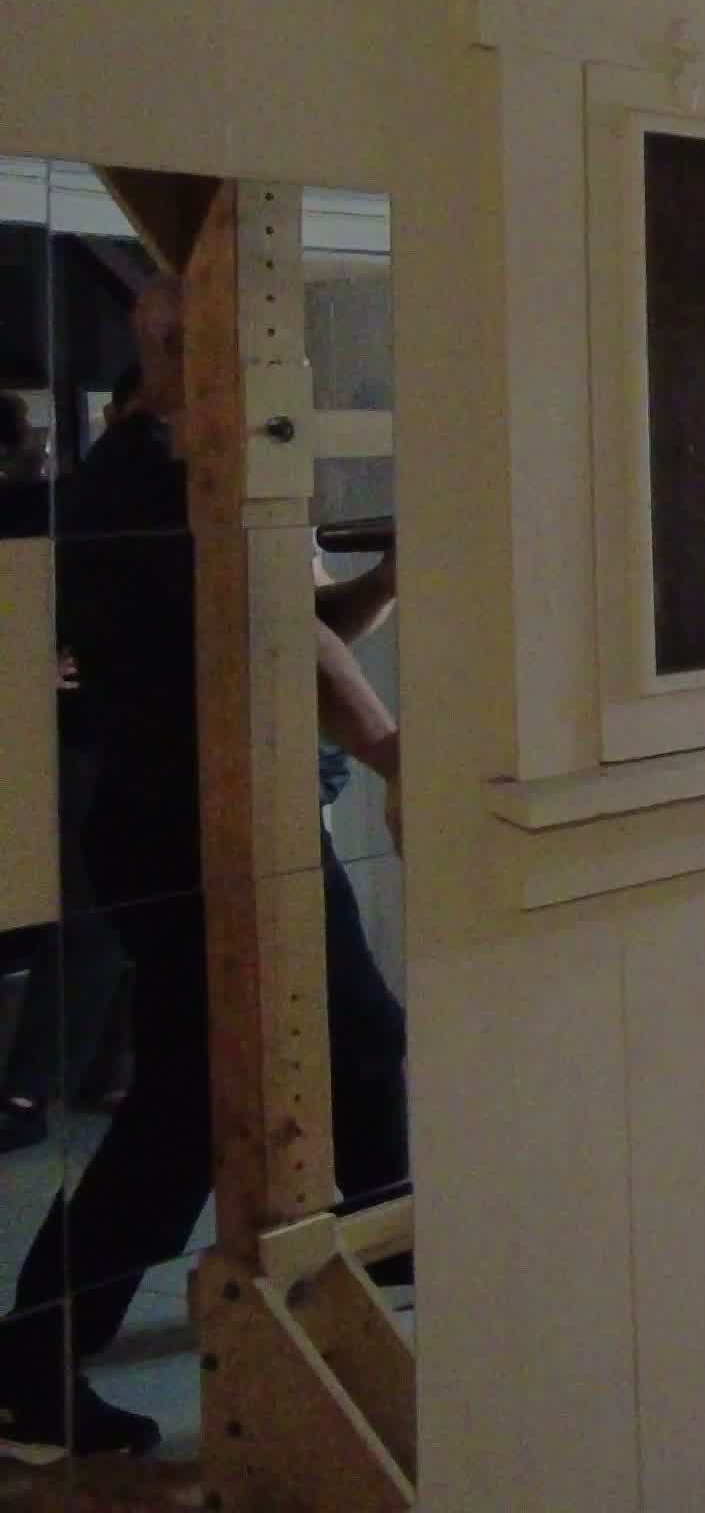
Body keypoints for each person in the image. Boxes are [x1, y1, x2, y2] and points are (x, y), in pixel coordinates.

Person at [0, 279, 417, 1460]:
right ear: (170, 370)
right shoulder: (149, 484)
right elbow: (279, 643)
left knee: (297, 1057)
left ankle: (45, 1346)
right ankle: (30, 1357)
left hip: (209, 817)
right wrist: (389, 748)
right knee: (229, 1083)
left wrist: (388, 577)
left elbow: (305, 620)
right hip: (194, 824)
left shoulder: (171, 480)